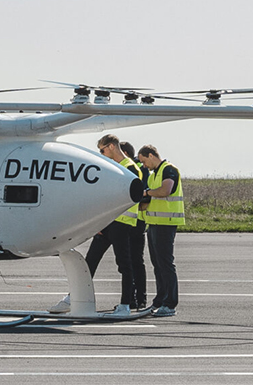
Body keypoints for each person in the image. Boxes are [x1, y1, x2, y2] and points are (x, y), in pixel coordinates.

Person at [49, 135, 142, 315]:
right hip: (107, 223)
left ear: (112, 146)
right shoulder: (113, 167)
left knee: (124, 264)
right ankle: (71, 299)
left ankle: (125, 304)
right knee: (90, 261)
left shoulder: (131, 168)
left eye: (102, 150)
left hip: (122, 223)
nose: (102, 154)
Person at [137, 144, 184, 317]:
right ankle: (159, 300)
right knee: (157, 264)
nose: (143, 166)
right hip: (154, 223)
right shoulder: (153, 175)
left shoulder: (169, 170)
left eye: (143, 161)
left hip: (166, 223)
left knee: (165, 263)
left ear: (150, 155)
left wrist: (147, 193)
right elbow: (150, 198)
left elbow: (165, 190)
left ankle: (170, 303)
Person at [119, 141, 148, 310]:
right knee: (133, 261)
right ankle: (134, 298)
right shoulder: (137, 168)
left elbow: (142, 195)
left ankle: (137, 298)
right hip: (134, 219)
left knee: (134, 261)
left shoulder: (135, 169)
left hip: (134, 221)